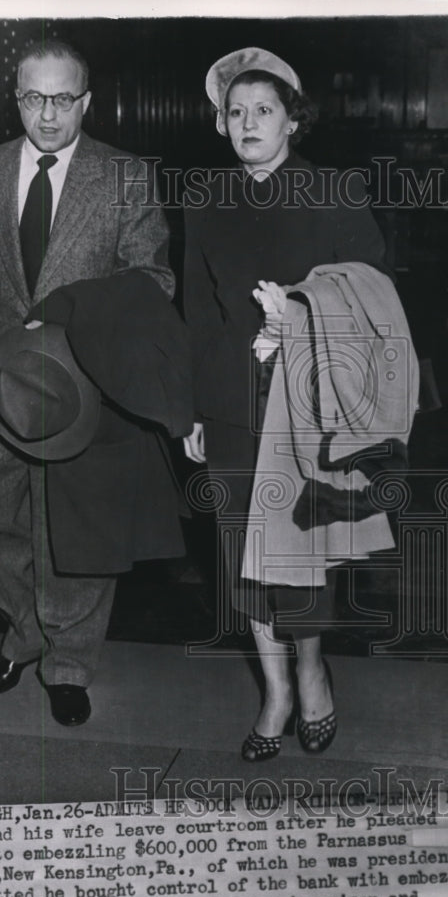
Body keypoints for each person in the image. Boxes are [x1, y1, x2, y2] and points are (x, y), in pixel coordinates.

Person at [0, 39, 182, 727]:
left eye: (63, 98)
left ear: (86, 101)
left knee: (77, 532)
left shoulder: (125, 175)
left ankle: (68, 664)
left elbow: (153, 280)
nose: (48, 113)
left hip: (83, 380)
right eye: (35, 97)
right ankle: (25, 633)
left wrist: (79, 316)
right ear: (15, 99)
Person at [182, 48, 406, 761]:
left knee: (301, 552)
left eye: (264, 111)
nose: (248, 123)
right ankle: (274, 690)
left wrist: (299, 318)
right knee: (239, 552)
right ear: (222, 125)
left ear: (292, 121)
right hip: (228, 399)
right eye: (236, 112)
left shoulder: (333, 192)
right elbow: (192, 308)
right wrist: (190, 407)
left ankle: (311, 671)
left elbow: (374, 292)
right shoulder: (204, 200)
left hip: (310, 401)